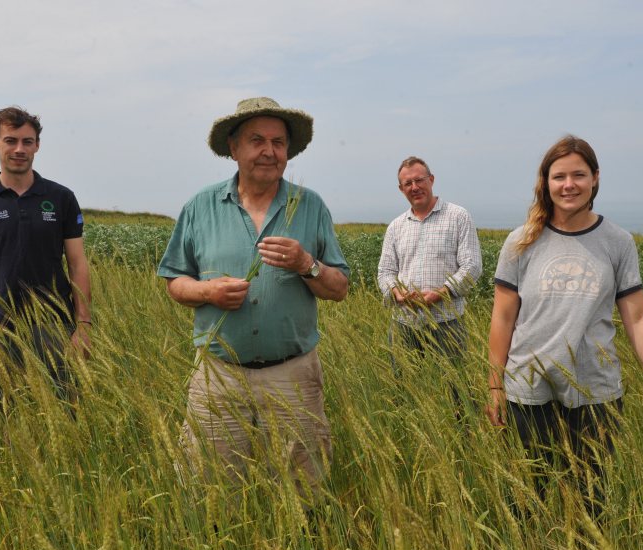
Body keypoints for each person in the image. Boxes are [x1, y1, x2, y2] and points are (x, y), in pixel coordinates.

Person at [486, 135, 643, 514]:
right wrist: (494, 385)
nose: (569, 185)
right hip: (528, 390)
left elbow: (638, 316)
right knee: (525, 502)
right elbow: (503, 318)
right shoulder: (520, 242)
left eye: (579, 175)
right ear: (546, 182)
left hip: (595, 393)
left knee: (591, 504)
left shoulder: (617, 242)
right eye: (559, 176)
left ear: (595, 178)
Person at [158, 97, 349, 501]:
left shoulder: (310, 205)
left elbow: (340, 287)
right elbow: (175, 281)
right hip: (219, 375)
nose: (269, 151)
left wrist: (306, 264)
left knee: (304, 492)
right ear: (234, 148)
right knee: (210, 489)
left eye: (278, 142)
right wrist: (208, 291)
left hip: (294, 375)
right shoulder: (200, 206)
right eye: (257, 140)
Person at [0, 106, 92, 408]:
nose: (20, 149)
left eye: (27, 142)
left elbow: (77, 264)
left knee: (67, 418)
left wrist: (83, 326)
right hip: (0, 330)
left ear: (37, 146)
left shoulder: (61, 198)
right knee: (9, 424)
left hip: (56, 330)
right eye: (10, 140)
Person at [377, 156, 482, 417]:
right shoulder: (396, 227)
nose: (414, 187)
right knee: (403, 388)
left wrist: (441, 294)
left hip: (447, 322)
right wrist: (396, 293)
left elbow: (472, 267)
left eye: (419, 180)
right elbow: (385, 272)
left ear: (431, 180)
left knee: (457, 389)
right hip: (404, 323)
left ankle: (463, 438)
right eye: (407, 183)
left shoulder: (458, 216)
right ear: (401, 189)